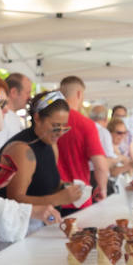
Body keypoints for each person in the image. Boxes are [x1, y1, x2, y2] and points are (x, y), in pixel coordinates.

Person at [0, 91, 82, 215]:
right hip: (19, 227)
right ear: (37, 118)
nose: (60, 132)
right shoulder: (22, 150)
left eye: (64, 127)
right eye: (56, 126)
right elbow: (14, 200)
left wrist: (67, 187)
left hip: (44, 221)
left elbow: (45, 181)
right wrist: (58, 199)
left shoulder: (51, 144)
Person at [54, 76, 108, 210]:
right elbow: (100, 165)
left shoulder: (46, 120)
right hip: (78, 198)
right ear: (79, 94)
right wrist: (103, 189)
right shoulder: (85, 124)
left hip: (50, 198)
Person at [0, 72, 31, 165]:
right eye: (27, 93)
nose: (29, 97)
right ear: (14, 92)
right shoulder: (3, 116)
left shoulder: (10, 117)